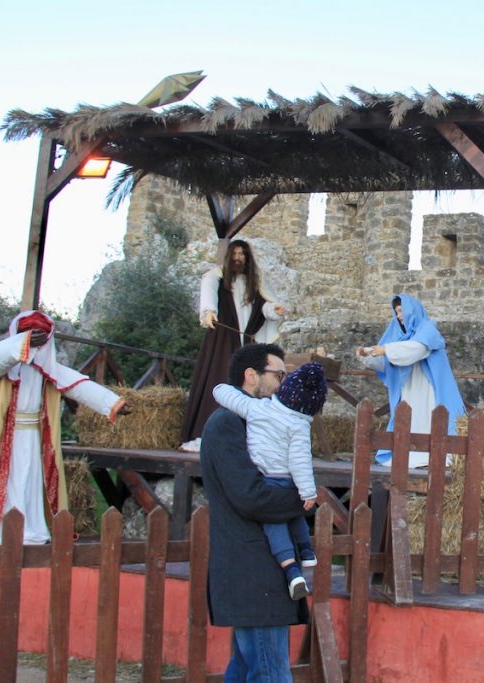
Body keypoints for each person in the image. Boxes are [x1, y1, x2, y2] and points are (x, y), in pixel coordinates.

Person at [0, 310, 130, 545]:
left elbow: (80, 386)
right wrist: (23, 342)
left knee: (30, 479)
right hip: (2, 438)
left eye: (41, 337)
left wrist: (112, 404)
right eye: (28, 335)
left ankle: (30, 529)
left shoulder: (48, 369)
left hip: (33, 438)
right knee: (5, 480)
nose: (35, 343)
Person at [200, 342, 310, 683]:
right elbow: (251, 496)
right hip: (250, 567)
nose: (283, 384)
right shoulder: (226, 424)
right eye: (278, 375)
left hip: (259, 569)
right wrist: (302, 498)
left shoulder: (259, 422)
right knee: (270, 670)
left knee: (250, 667)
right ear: (252, 377)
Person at [212, 362, 327, 600]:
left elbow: (224, 395)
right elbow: (300, 461)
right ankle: (306, 552)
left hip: (268, 479)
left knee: (273, 522)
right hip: (288, 480)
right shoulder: (299, 425)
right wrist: (307, 491)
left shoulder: (258, 408)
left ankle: (291, 570)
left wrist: (221, 387)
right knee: (294, 513)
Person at [181, 239, 287, 445]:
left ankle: (245, 436)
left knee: (249, 385)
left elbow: (263, 308)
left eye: (242, 254)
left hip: (247, 340)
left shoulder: (255, 281)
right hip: (223, 339)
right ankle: (209, 433)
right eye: (235, 254)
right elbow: (209, 294)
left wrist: (274, 310)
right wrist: (209, 311)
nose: (238, 258)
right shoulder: (216, 276)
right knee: (219, 378)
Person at [356, 293, 466, 468]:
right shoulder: (397, 336)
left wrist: (386, 349)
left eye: (401, 311)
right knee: (410, 417)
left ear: (411, 310)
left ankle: (432, 456)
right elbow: (386, 362)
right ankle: (409, 455)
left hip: (427, 385)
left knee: (428, 416)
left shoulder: (428, 329)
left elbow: (415, 349)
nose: (399, 316)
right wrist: (367, 355)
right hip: (408, 387)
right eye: (396, 312)